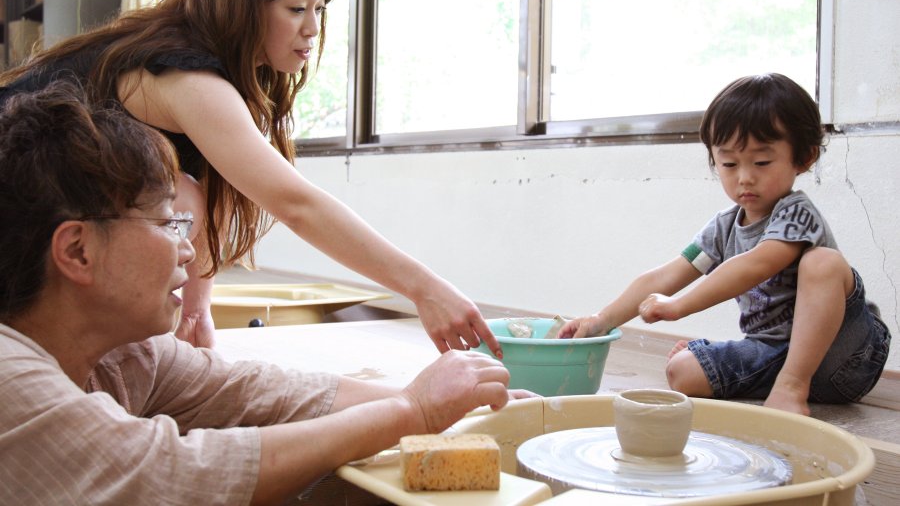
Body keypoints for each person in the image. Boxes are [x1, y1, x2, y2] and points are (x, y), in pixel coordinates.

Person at [0, 82, 529, 505]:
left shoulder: (122, 355)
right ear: (77, 251)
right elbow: (176, 475)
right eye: (169, 223)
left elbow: (257, 392)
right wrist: (412, 412)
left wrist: (453, 406)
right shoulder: (10, 376)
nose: (188, 251)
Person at [0, 0, 500, 357]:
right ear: (245, 3)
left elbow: (217, 187)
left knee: (185, 196)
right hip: (15, 208)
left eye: (320, 8)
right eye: (295, 7)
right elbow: (293, 202)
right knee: (179, 202)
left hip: (44, 215)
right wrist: (424, 288)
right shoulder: (186, 76)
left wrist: (197, 310)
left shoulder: (220, 69)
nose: (312, 28)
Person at [559, 73, 891, 416]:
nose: (745, 177)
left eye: (762, 162)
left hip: (846, 356)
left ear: (803, 158)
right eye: (729, 164)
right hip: (773, 352)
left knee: (823, 262)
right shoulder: (723, 227)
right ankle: (778, 379)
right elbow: (667, 275)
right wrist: (601, 320)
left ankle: (792, 386)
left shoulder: (796, 213)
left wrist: (680, 306)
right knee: (682, 372)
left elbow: (759, 262)